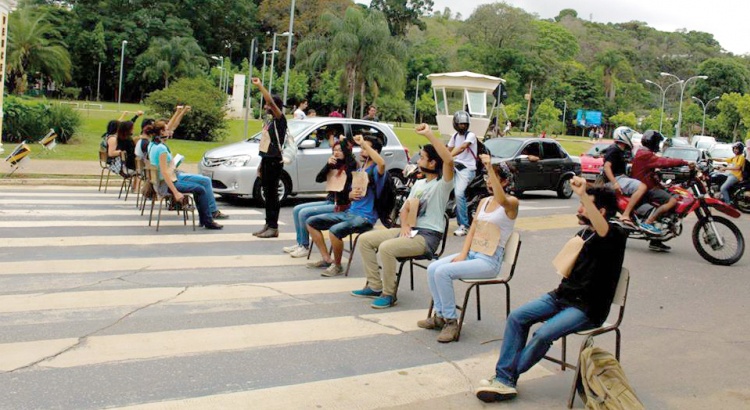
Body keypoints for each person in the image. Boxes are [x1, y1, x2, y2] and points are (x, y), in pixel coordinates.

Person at [474, 177, 627, 403]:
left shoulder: (615, 234)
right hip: (561, 297)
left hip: (587, 308)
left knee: (543, 334)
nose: (579, 208)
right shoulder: (585, 233)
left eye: (584, 205)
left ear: (601, 211)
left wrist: (584, 193)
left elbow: (604, 231)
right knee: (517, 317)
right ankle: (504, 377)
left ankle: (506, 378)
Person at [351, 124, 455, 309]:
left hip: (427, 236)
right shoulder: (419, 183)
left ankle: (389, 294)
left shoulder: (442, 185)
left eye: (422, 158)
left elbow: (448, 161)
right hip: (410, 231)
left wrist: (430, 135)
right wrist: (405, 226)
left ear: (432, 163)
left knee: (386, 248)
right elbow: (405, 208)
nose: (418, 161)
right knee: (365, 240)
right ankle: (375, 285)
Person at [419, 154, 517, 342]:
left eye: (494, 178)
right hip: (473, 254)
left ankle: (451, 322)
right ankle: (440, 315)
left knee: (443, 273)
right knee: (433, 268)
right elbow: (472, 230)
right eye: (488, 178)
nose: (489, 182)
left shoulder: (511, 203)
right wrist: (463, 253)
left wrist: (489, 167)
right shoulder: (484, 202)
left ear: (505, 182)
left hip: (489, 261)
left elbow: (502, 200)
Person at [306, 135, 386, 276]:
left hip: (365, 217)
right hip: (351, 212)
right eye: (361, 148)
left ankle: (337, 266)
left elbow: (382, 164)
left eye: (365, 148)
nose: (361, 151)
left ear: (374, 151)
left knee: (335, 231)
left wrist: (364, 144)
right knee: (311, 222)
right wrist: (350, 195)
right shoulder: (361, 168)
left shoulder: (375, 170)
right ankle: (326, 258)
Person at [284, 140, 357, 258]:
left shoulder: (351, 166)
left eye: (340, 150)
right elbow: (318, 178)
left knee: (304, 213)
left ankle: (304, 246)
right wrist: (328, 165)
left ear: (346, 151)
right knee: (297, 209)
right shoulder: (334, 163)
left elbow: (348, 186)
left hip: (340, 204)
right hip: (330, 200)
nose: (336, 152)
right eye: (334, 150)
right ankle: (299, 243)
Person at [147, 120, 223, 230]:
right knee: (200, 189)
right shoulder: (161, 148)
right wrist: (176, 192)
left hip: (166, 181)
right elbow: (164, 172)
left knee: (201, 186)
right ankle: (208, 220)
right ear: (162, 132)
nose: (169, 131)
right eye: (167, 129)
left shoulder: (152, 144)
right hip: (167, 184)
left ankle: (206, 220)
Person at [630, 130, 690, 251]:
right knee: (673, 200)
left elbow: (655, 168)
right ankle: (649, 222)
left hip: (648, 185)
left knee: (672, 194)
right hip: (646, 188)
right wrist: (684, 162)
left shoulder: (644, 152)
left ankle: (656, 240)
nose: (658, 145)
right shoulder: (645, 154)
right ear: (653, 142)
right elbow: (663, 162)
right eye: (657, 142)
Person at [251, 77, 287, 239]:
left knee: (272, 194)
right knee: (267, 193)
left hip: (275, 162)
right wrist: (260, 163)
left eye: (267, 105)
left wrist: (259, 85)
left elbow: (270, 101)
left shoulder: (280, 120)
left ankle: (274, 226)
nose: (265, 106)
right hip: (267, 160)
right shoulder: (271, 122)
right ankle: (268, 223)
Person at [602, 126, 648, 226]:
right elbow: (607, 167)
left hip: (621, 178)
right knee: (642, 187)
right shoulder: (614, 149)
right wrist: (615, 183)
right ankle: (626, 214)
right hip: (617, 178)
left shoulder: (621, 150)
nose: (631, 140)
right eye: (630, 137)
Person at [448, 110, 479, 237]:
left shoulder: (470, 135)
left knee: (459, 193)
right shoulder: (454, 136)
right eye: (460, 124)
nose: (463, 126)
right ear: (455, 124)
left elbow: (462, 148)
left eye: (465, 124)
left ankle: (464, 225)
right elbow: (447, 148)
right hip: (456, 166)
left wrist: (448, 156)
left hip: (467, 169)